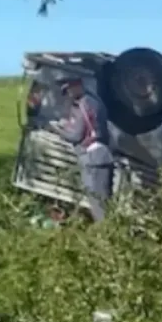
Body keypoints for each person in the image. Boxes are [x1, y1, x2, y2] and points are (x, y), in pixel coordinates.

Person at [47, 76, 114, 223]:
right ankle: (109, 234)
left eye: (69, 90)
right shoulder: (93, 101)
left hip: (93, 159)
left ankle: (107, 236)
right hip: (99, 156)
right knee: (103, 201)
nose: (69, 95)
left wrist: (57, 129)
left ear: (77, 86)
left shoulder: (84, 105)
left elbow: (76, 136)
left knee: (98, 203)